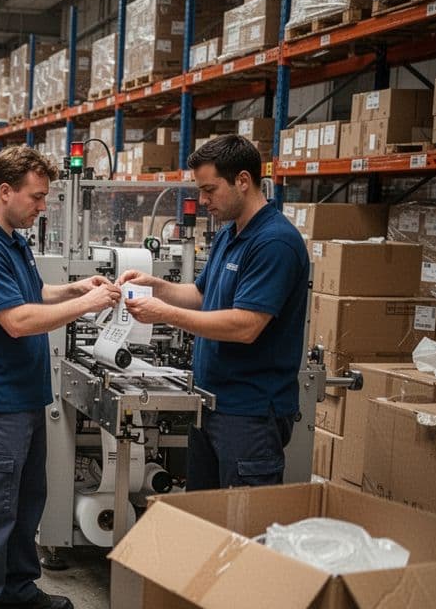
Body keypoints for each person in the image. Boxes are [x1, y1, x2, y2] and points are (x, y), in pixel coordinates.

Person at [0, 145, 121, 609]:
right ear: (5, 192)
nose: (43, 207)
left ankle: (16, 586)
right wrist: (87, 305)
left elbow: (32, 294)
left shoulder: (12, 241)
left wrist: (73, 289)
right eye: (37, 197)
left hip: (22, 396)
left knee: (25, 502)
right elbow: (18, 320)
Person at [116, 134, 308, 490]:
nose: (203, 200)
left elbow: (246, 326)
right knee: (201, 513)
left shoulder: (274, 242)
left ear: (243, 181)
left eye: (209, 190)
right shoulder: (229, 234)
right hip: (210, 402)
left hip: (249, 413)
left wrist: (163, 313)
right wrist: (155, 286)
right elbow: (202, 295)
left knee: (241, 518)